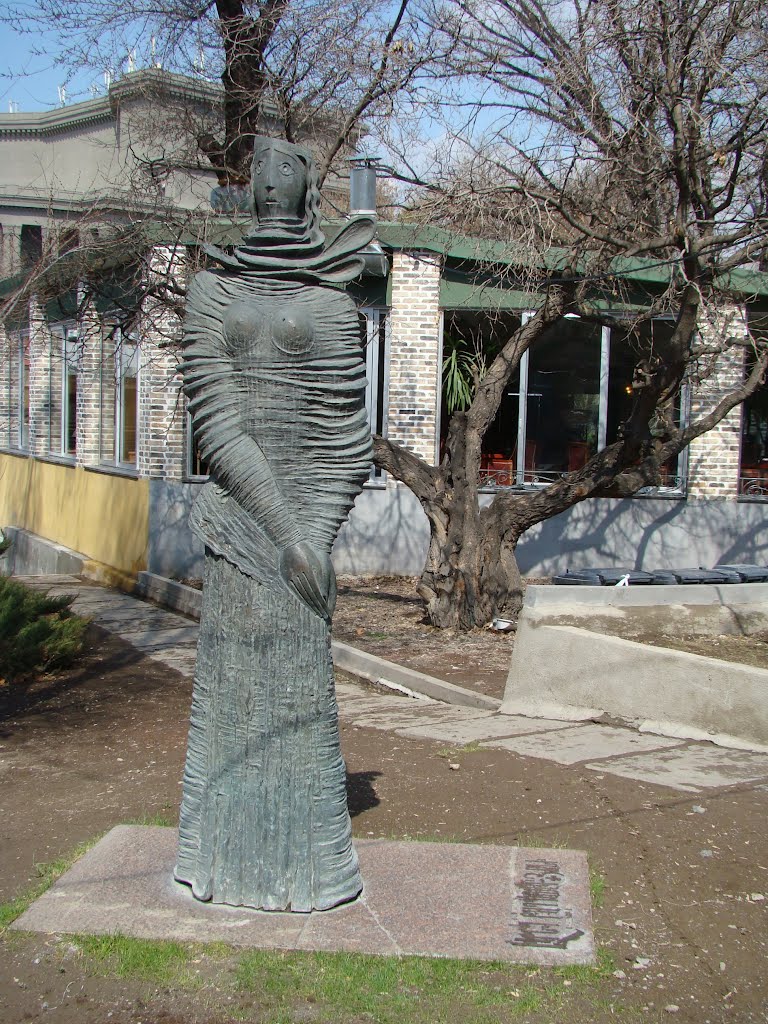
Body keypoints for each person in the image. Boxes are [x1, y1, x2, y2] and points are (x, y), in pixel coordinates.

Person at [174, 137, 375, 912]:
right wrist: (285, 529)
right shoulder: (211, 294)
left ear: (307, 188)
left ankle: (307, 871)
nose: (265, 182)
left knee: (294, 700)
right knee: (232, 703)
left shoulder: (331, 301)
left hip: (303, 547)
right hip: (243, 529)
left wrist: (315, 536)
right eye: (256, 171)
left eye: (283, 170)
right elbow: (216, 419)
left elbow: (344, 434)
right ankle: (219, 864)